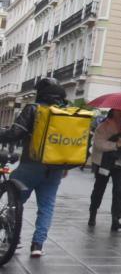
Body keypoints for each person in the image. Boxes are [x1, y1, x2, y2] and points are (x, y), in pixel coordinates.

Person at [0, 77, 69, 258]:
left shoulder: (33, 109)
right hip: (55, 167)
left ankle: (12, 238)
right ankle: (37, 245)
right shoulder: (65, 113)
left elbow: (15, 133)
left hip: (31, 163)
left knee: (15, 201)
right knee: (47, 206)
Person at [89, 109, 121, 231]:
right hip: (104, 163)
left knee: (118, 191)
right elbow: (98, 144)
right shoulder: (103, 125)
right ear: (113, 110)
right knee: (99, 189)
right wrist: (115, 144)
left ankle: (116, 219)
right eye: (120, 110)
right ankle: (93, 213)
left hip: (120, 163)